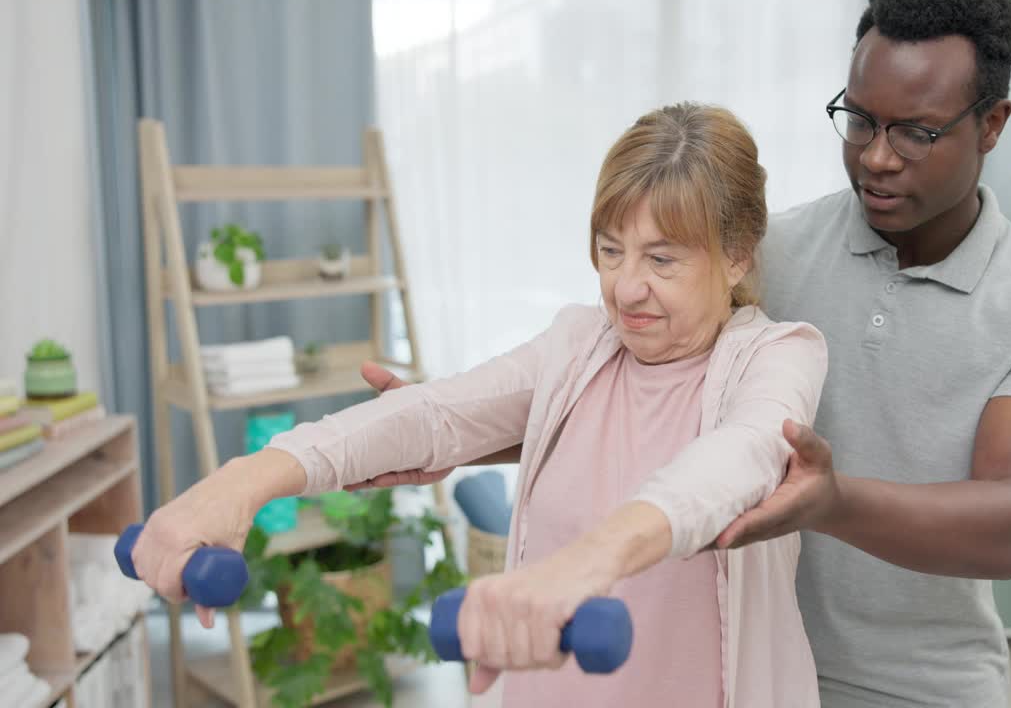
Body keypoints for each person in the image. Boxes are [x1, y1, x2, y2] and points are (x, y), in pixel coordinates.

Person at [362, 0, 1011, 705]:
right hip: (737, 665)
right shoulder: (761, 250)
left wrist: (832, 500)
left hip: (917, 688)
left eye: (916, 131)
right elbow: (624, 398)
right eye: (859, 121)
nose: (877, 158)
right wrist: (455, 436)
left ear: (992, 123)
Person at [130, 103, 828, 707]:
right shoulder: (578, 344)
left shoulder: (779, 356)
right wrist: (239, 485)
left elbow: (730, 467)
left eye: (663, 260)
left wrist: (582, 567)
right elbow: (435, 412)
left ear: (736, 255)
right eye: (612, 251)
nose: (625, 288)